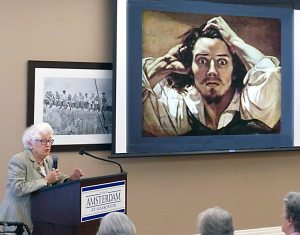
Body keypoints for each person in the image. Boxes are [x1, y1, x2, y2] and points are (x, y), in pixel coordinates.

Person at [142, 16, 280, 136]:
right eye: (202, 61)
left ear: (234, 70)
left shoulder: (251, 106)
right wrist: (163, 66)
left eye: (222, 62)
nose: (212, 71)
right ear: (191, 67)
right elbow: (132, 102)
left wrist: (235, 41)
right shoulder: (177, 110)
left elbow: (271, 74)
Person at [0, 122, 85, 233]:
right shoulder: (19, 160)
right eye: (43, 141)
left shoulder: (47, 160)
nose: (48, 144)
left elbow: (54, 177)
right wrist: (45, 180)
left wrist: (70, 179)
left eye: (50, 141)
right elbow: (18, 188)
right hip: (19, 219)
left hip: (40, 218)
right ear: (30, 143)